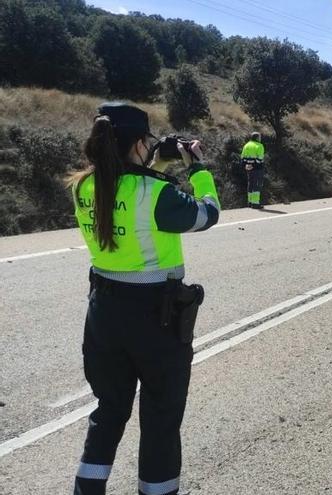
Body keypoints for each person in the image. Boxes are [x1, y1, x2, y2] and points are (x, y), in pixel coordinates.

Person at [68, 102, 220, 495]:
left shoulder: (84, 186)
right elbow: (208, 214)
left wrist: (157, 166)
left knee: (109, 410)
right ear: (139, 142)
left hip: (103, 313)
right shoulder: (157, 194)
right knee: (160, 416)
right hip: (156, 317)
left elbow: (128, 193)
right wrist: (198, 167)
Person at [240, 132, 265, 209]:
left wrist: (246, 165)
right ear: (257, 138)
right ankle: (255, 203)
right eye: (259, 137)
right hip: (257, 169)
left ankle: (250, 202)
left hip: (248, 168)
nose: (260, 139)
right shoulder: (259, 146)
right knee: (257, 184)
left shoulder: (246, 145)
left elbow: (242, 158)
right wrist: (253, 165)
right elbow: (259, 159)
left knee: (250, 184)